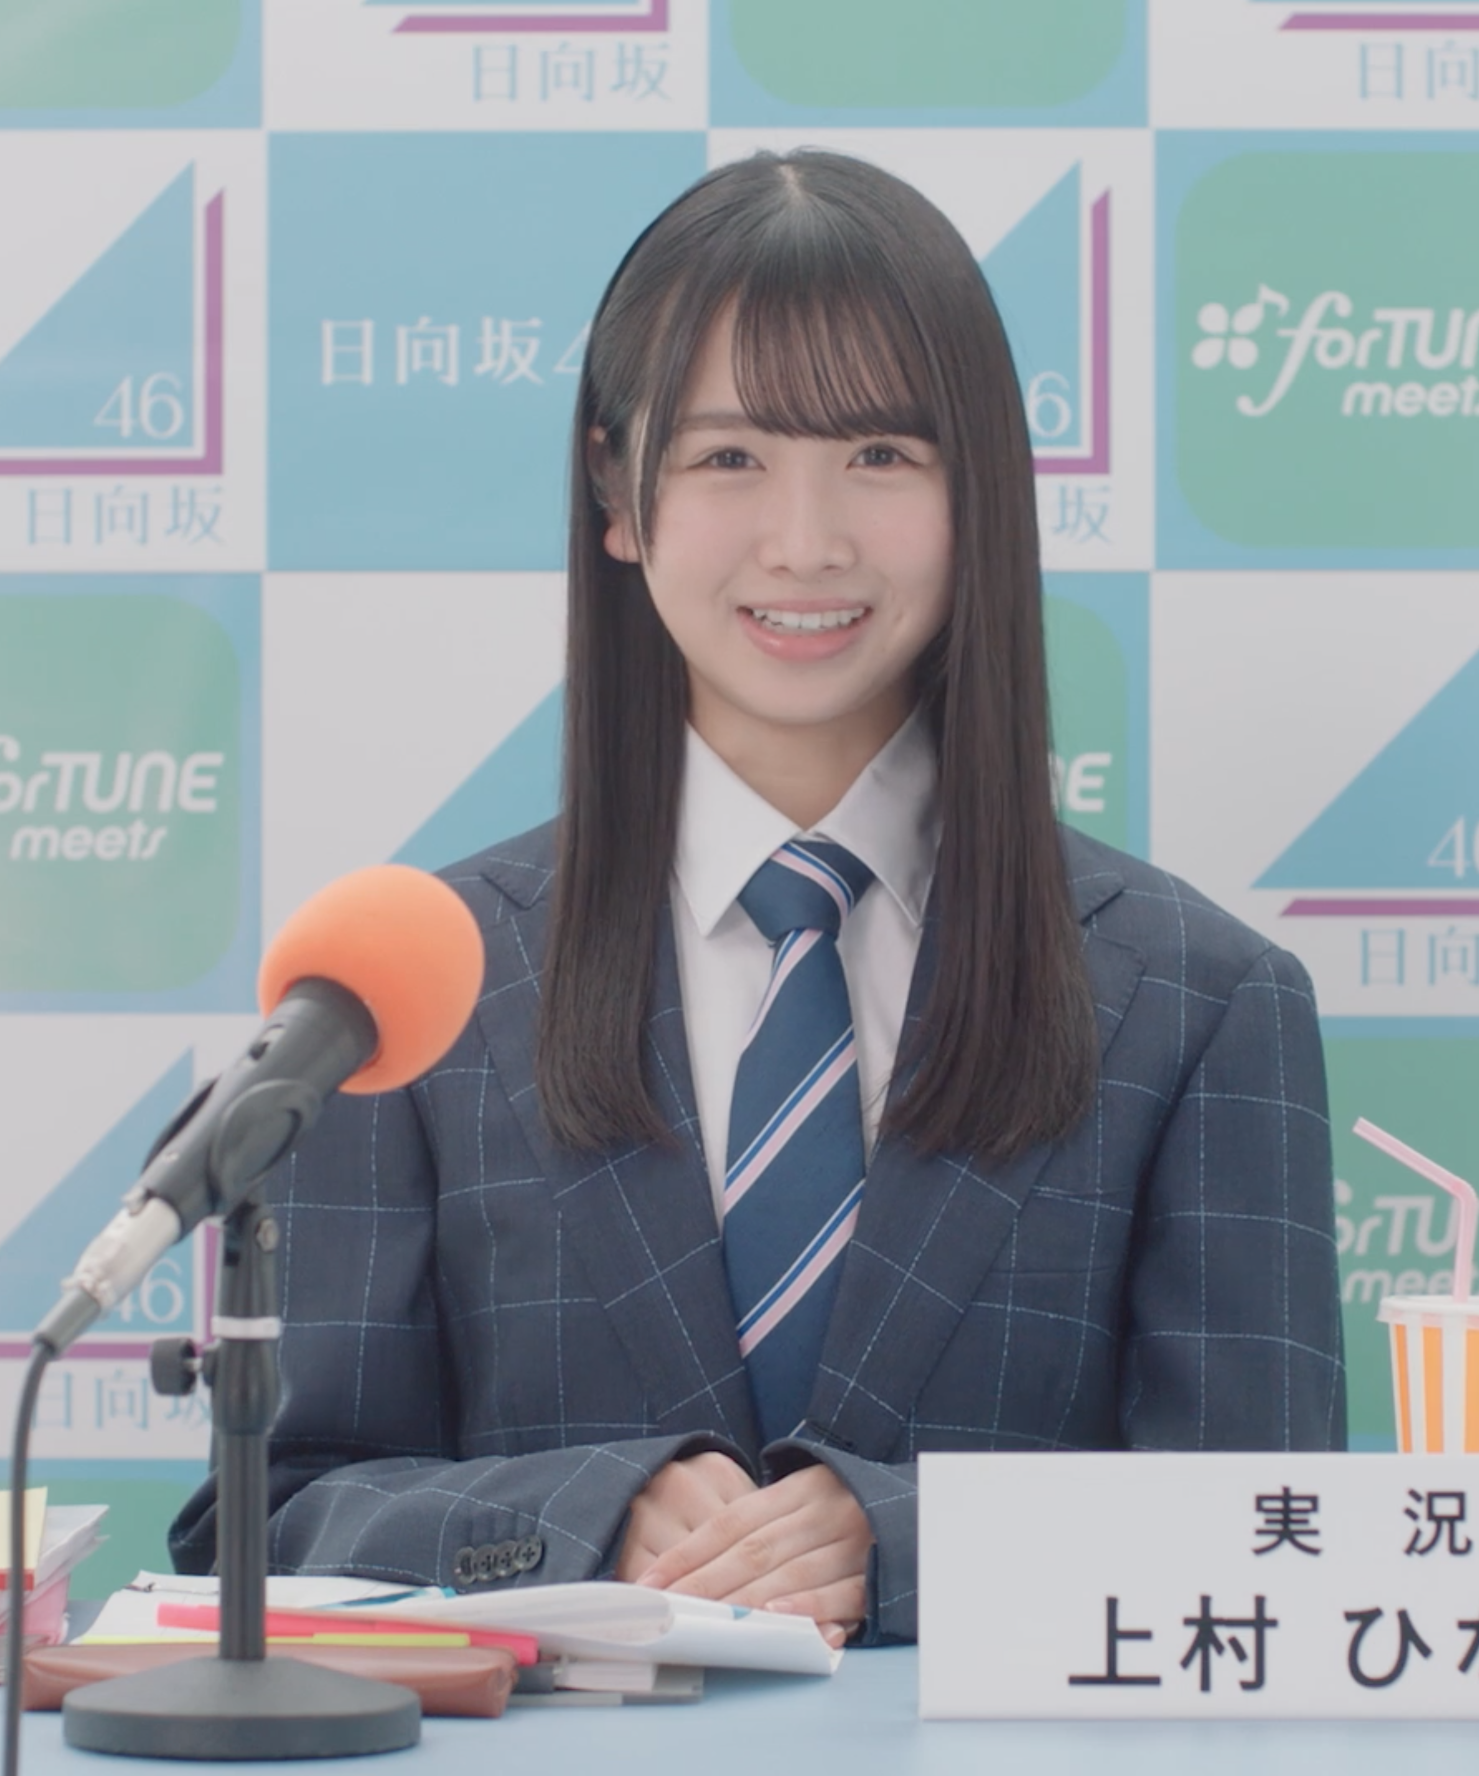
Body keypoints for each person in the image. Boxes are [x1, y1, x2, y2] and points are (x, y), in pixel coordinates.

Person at [170, 148, 1341, 1646]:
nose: (806, 541)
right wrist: (586, 1514)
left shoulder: (1201, 1005)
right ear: (617, 490)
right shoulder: (414, 997)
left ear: (980, 490)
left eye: (883, 455)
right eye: (730, 459)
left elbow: (1275, 1533)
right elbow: (266, 1521)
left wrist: (903, 1545)